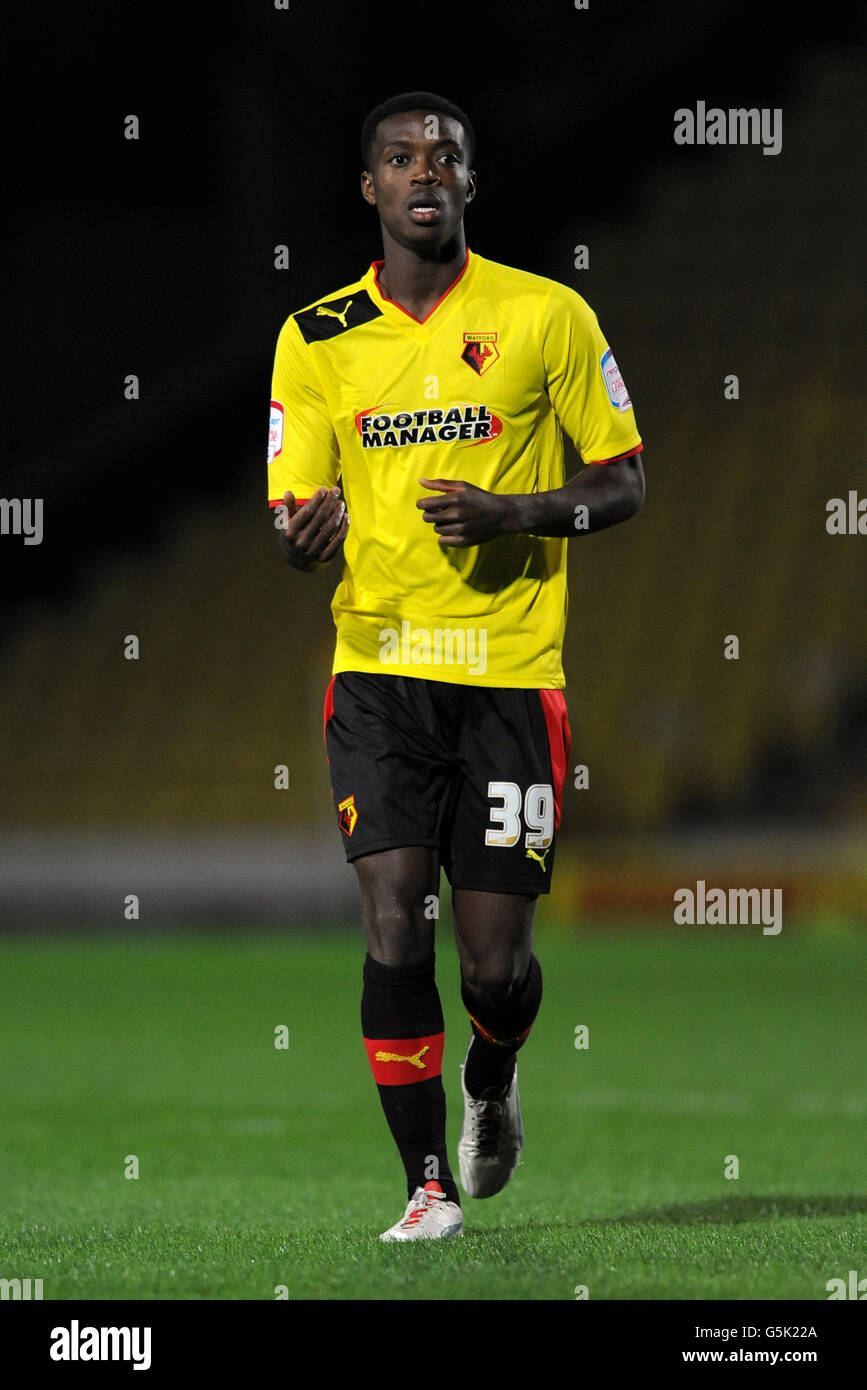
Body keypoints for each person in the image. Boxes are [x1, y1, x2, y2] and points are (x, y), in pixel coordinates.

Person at [267, 91, 645, 1240]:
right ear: (370, 189)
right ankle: (425, 1187)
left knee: (495, 972)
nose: (423, 170)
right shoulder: (316, 337)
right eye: (399, 156)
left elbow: (624, 482)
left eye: (445, 155)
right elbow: (292, 513)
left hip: (509, 674)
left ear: (470, 182)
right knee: (393, 916)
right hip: (377, 669)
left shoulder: (549, 315)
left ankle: (493, 1075)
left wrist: (515, 511)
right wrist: (299, 539)